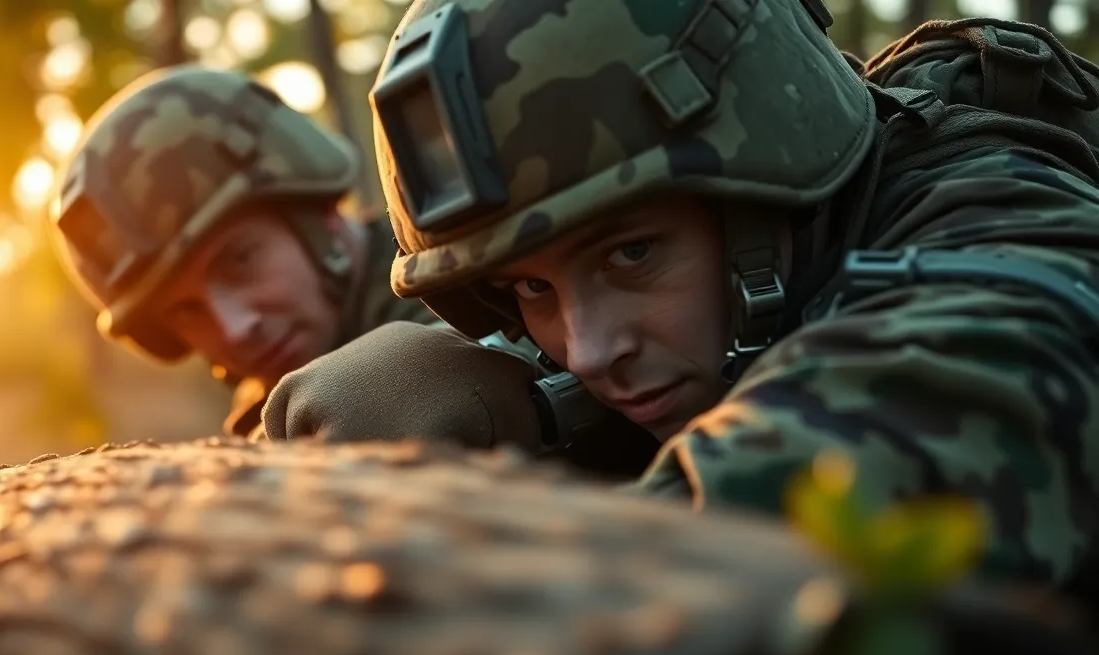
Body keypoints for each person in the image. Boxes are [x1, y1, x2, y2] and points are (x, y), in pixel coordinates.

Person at [262, 0, 1099, 601]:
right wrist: (520, 401)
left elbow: (945, 397)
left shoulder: (997, 206)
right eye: (532, 288)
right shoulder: (712, 299)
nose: (587, 351)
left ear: (767, 192)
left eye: (630, 252)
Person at [49, 65, 436, 439]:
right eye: (185, 310)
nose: (235, 329)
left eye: (241, 260)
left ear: (314, 209)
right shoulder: (267, 404)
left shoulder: (471, 289)